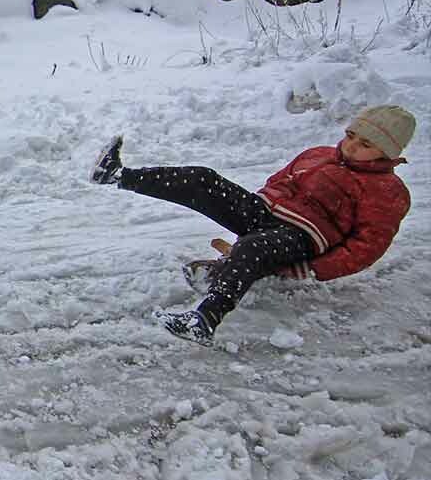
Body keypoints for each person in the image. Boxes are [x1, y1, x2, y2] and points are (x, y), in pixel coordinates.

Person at [90, 105, 415, 346]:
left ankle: (204, 320)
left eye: (365, 144)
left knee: (253, 248)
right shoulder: (318, 154)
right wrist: (250, 215)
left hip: (303, 238)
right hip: (265, 214)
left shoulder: (387, 192)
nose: (351, 146)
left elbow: (365, 248)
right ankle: (117, 175)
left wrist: (309, 270)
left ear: (388, 152)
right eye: (349, 135)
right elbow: (278, 181)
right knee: (204, 180)